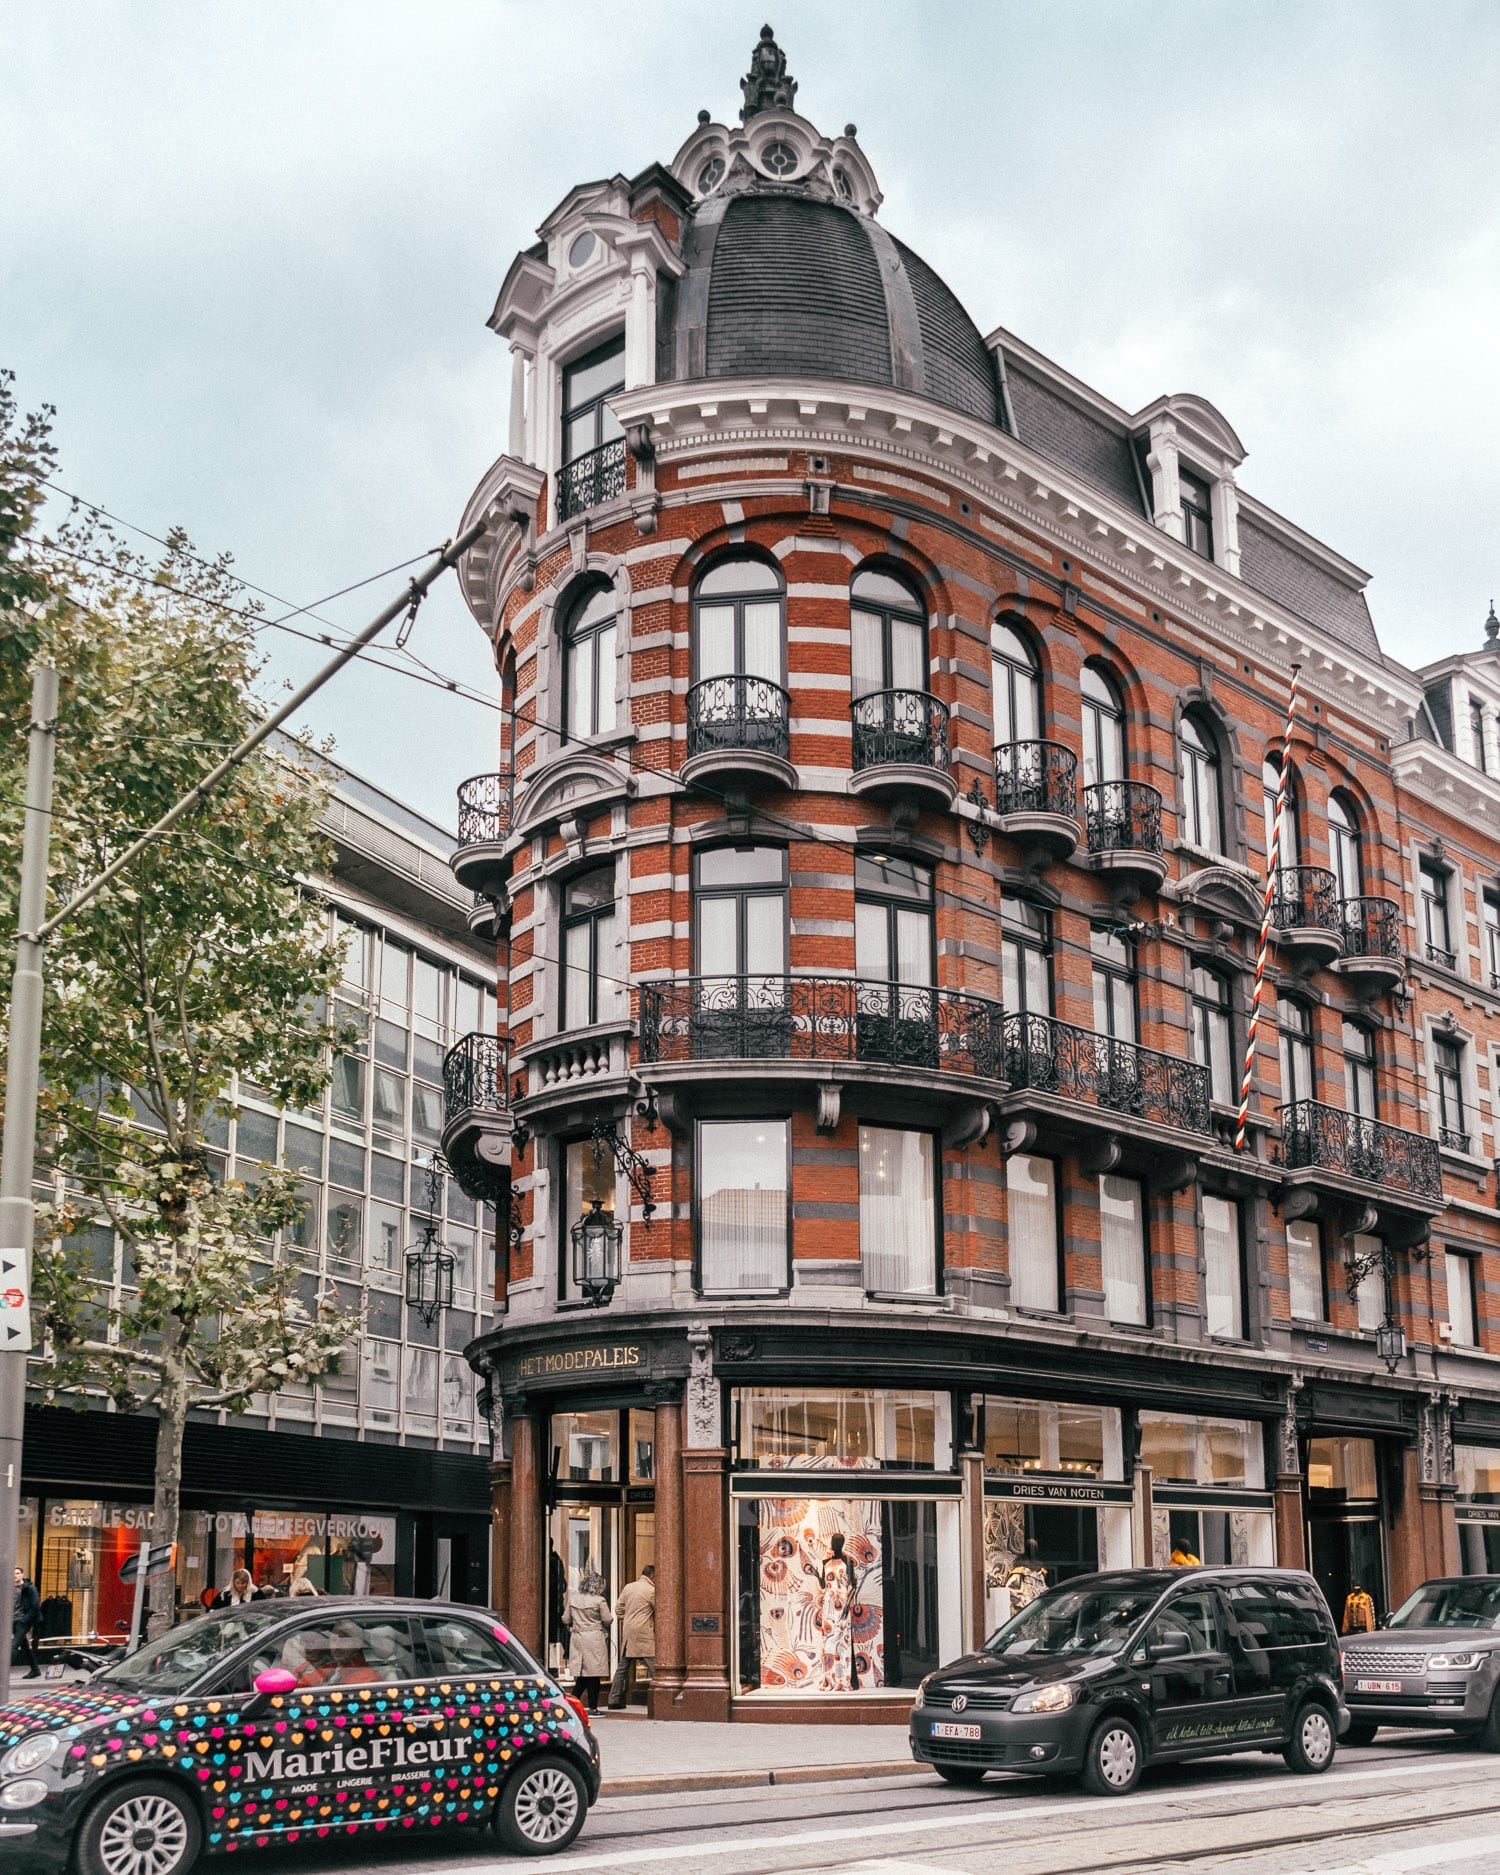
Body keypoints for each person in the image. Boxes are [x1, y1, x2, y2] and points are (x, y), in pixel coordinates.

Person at [564, 1570, 613, 1713]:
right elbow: (607, 1619)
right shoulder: (599, 1600)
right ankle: (592, 1707)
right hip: (594, 1638)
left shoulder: (573, 1599)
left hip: (578, 1638)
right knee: (594, 1673)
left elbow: (565, 1619)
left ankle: (572, 1702)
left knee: (582, 1672)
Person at [608, 1564, 656, 1709]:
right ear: (652, 1576)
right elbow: (661, 1610)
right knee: (654, 1665)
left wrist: (628, 1619)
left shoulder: (628, 1587)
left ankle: (614, 1698)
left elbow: (618, 1609)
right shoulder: (651, 1590)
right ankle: (661, 1696)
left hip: (628, 1632)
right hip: (644, 1632)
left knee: (623, 1666)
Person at [12, 1565, 41, 1679]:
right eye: (13, 1574)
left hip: (23, 1620)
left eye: (18, 1573)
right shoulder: (8, 1588)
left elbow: (36, 1606)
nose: (15, 1576)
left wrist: (25, 1620)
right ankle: (35, 1670)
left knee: (13, 1645)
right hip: (12, 1620)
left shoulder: (29, 1588)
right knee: (24, 1646)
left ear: (22, 1575)